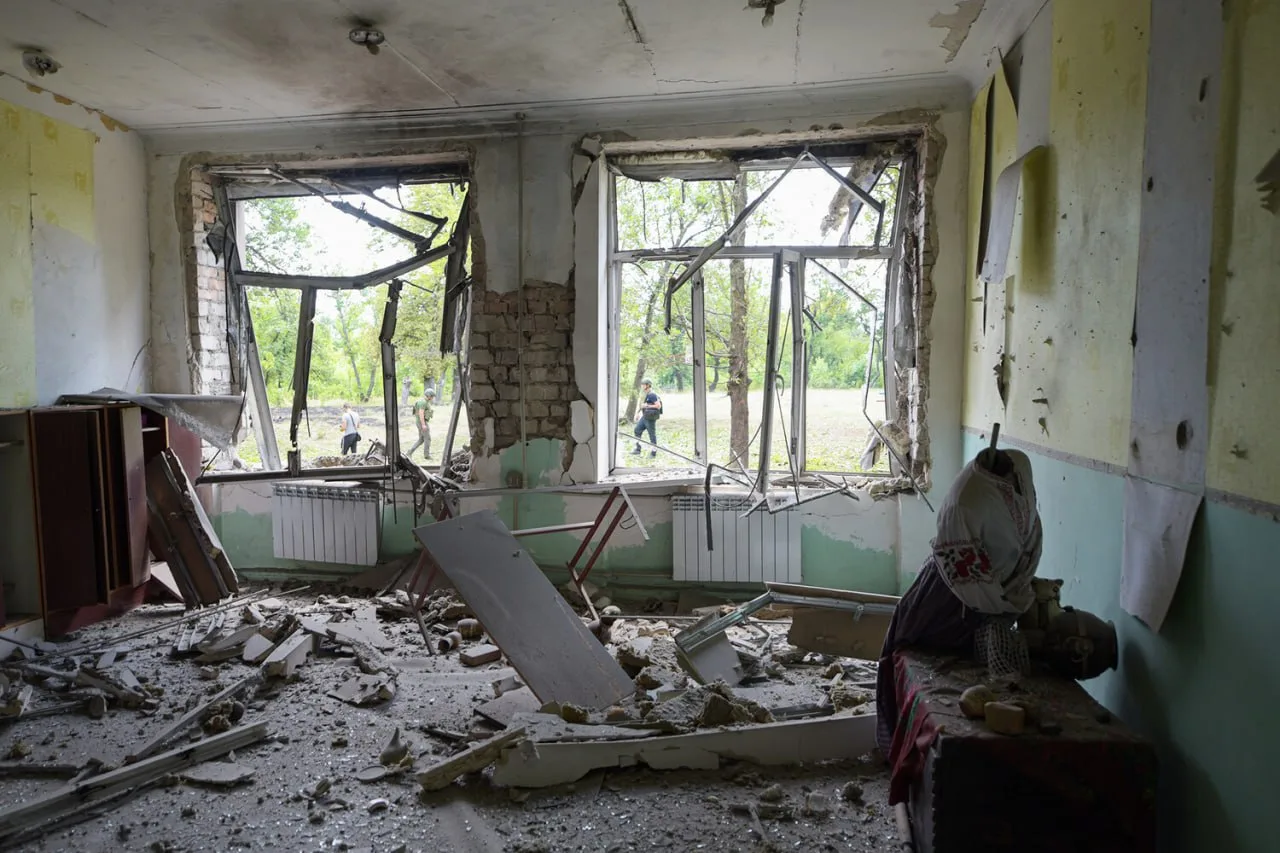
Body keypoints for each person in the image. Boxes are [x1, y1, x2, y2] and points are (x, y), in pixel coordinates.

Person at [875, 445, 1042, 787]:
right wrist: (1001, 608)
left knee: (980, 667)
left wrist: (1012, 598)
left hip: (995, 593)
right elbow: (967, 578)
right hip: (947, 597)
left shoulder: (1021, 477)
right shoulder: (966, 501)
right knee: (904, 649)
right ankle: (896, 750)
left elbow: (1030, 541)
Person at [631, 379, 662, 458]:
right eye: (642, 384)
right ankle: (638, 449)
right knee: (637, 430)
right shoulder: (646, 394)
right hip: (645, 416)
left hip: (650, 418)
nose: (642, 386)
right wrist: (638, 413)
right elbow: (643, 405)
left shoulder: (652, 394)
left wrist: (647, 405)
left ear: (648, 385)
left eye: (643, 384)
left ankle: (653, 453)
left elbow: (658, 406)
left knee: (652, 435)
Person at [407, 388, 435, 461]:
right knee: (427, 438)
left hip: (420, 422)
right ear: (428, 395)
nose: (432, 398)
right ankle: (427, 455)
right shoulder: (423, 402)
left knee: (421, 439)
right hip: (421, 422)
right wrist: (423, 425)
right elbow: (421, 414)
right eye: (432, 396)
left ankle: (409, 452)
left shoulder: (423, 401)